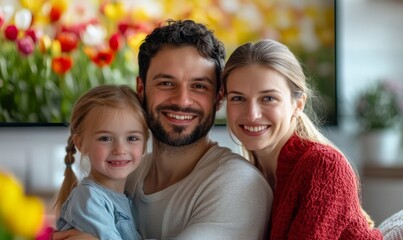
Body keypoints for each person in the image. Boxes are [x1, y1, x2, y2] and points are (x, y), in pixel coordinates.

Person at [53, 19, 272, 240]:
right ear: (141, 89)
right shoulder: (124, 174)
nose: (182, 100)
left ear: (218, 98)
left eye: (199, 86)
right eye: (166, 83)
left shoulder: (238, 185)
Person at [222, 39, 383, 239]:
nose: (252, 114)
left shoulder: (323, 165)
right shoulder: (248, 174)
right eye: (238, 98)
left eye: (268, 98)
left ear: (298, 105)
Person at [53, 85, 149, 240]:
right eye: (105, 138)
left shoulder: (128, 199)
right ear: (80, 143)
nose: (120, 150)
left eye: (132, 138)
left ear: (144, 144)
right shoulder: (88, 199)